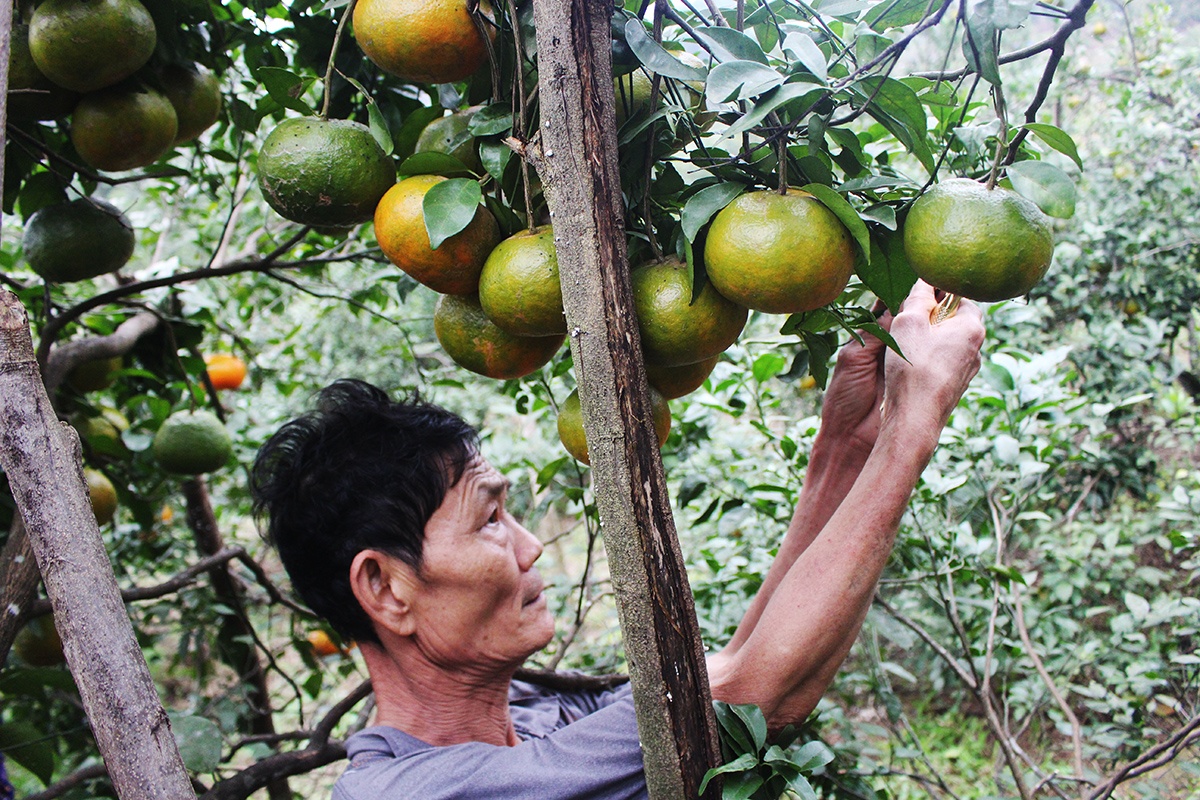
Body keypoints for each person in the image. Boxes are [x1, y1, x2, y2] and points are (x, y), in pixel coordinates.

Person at [251, 281, 985, 799]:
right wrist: (913, 423)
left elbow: (731, 677)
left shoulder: (536, 718)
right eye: (488, 521)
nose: (531, 546)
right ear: (384, 587)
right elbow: (761, 696)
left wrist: (845, 444)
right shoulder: (411, 796)